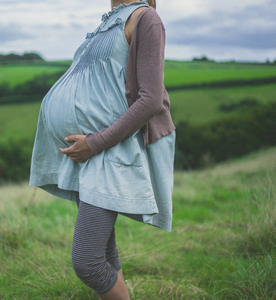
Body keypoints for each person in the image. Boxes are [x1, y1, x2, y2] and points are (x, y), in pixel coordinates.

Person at [29, 0, 175, 298]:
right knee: (105, 251)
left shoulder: (146, 18)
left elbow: (150, 101)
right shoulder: (107, 22)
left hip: (110, 151)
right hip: (89, 154)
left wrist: (94, 143)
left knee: (87, 261)